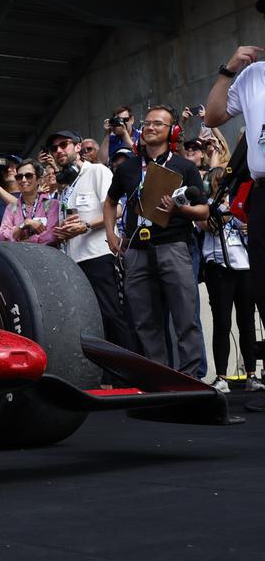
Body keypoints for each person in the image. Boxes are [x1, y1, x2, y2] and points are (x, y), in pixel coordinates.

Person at [103, 106, 208, 376]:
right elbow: (110, 201)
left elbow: (204, 211)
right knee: (145, 320)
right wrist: (111, 234)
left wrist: (180, 210)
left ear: (172, 131)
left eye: (158, 124)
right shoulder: (127, 168)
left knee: (185, 316)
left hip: (174, 245)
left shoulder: (183, 166)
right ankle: (159, 377)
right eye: (147, 123)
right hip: (136, 250)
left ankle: (191, 377)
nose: (150, 128)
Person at [205, 44, 265, 396]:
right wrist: (229, 69)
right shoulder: (254, 75)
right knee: (262, 286)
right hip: (262, 191)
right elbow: (212, 117)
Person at [47, 129, 134, 354]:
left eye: (63, 144)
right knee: (90, 323)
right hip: (73, 262)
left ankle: (128, 380)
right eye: (54, 148)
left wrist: (85, 226)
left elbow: (118, 208)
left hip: (98, 256)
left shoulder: (97, 171)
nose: (58, 150)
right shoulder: (64, 185)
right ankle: (105, 379)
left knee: (112, 315)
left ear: (78, 147)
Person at [198, 168, 259, 392]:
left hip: (244, 266)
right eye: (217, 181)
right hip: (219, 267)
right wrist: (227, 209)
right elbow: (208, 225)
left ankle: (252, 374)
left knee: (247, 323)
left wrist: (248, 225)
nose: (220, 185)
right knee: (222, 322)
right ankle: (222, 376)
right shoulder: (206, 205)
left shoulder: (241, 203)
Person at [0, 158, 58, 245]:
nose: (23, 180)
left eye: (28, 176)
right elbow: (2, 237)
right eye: (19, 177)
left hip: (45, 257)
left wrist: (24, 241)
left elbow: (52, 236)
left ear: (39, 180)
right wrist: (24, 224)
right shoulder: (11, 208)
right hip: (18, 257)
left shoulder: (52, 204)